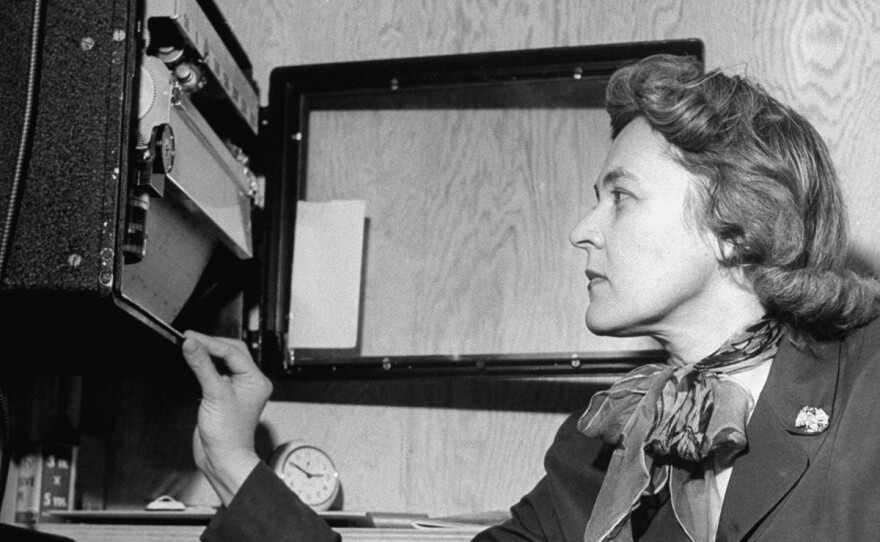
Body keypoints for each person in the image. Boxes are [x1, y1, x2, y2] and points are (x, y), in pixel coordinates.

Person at [181, 54, 880, 541]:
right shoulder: (599, 449)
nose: (582, 231)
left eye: (621, 198)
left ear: (737, 226)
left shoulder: (870, 386)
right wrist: (231, 459)